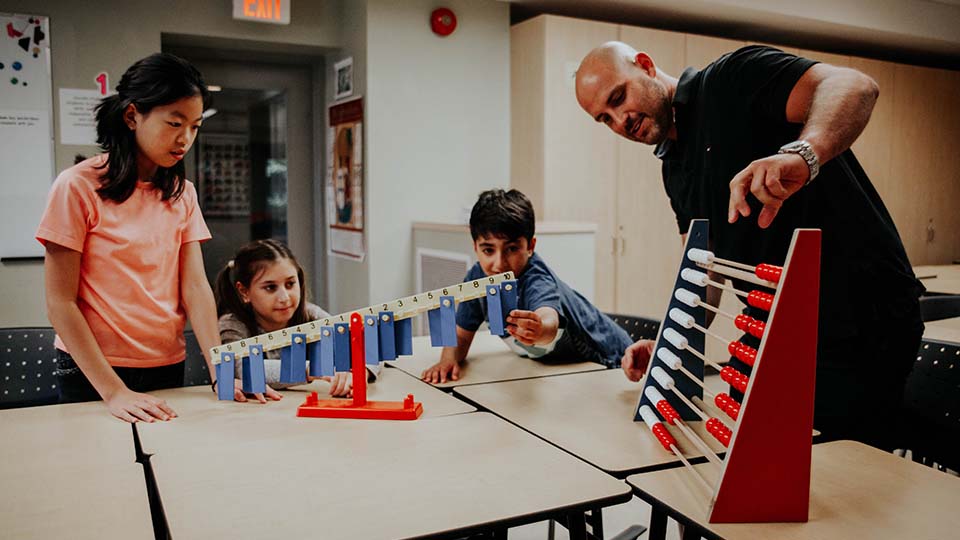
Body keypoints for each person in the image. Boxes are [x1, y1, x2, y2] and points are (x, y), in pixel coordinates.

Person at [575, 42, 924, 449]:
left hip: (861, 321)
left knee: (832, 483)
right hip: (779, 333)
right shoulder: (674, 169)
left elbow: (854, 85)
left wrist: (804, 154)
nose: (621, 120)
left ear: (647, 66)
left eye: (619, 98)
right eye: (605, 119)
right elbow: (704, 272)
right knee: (747, 464)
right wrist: (670, 343)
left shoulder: (731, 79)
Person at [36, 53, 248, 422]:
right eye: (174, 123)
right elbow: (60, 303)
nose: (185, 139)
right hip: (94, 371)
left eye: (195, 126)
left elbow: (195, 287)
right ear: (133, 116)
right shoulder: (77, 187)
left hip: (166, 362)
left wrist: (220, 368)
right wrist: (114, 391)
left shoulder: (183, 193)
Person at [421, 189, 633, 383]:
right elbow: (461, 335)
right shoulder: (477, 278)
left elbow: (548, 318)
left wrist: (540, 329)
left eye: (512, 249)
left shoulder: (536, 277)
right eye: (488, 250)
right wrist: (448, 359)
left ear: (530, 246)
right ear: (475, 247)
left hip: (610, 361)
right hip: (564, 370)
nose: (499, 264)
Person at [216, 239, 378, 397]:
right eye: (270, 288)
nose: (284, 297)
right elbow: (241, 370)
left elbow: (372, 345)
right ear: (244, 292)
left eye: (290, 284)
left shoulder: (311, 315)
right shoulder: (232, 325)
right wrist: (312, 369)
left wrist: (360, 371)